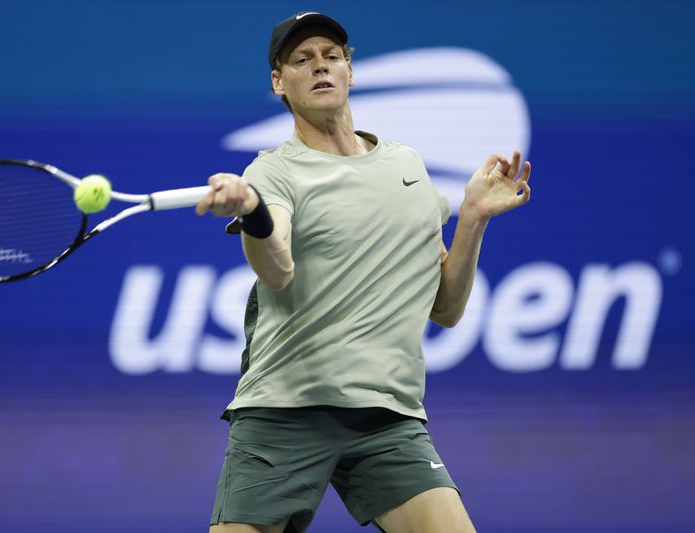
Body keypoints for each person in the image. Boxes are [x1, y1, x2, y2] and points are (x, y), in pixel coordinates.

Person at [196, 11, 531, 533]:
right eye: (302, 60)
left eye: (332, 56)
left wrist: (471, 219)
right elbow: (278, 268)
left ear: (351, 70)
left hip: (387, 415)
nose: (320, 67)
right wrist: (254, 212)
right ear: (279, 82)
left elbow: (445, 308)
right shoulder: (273, 171)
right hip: (287, 408)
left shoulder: (407, 166)